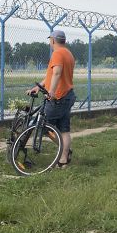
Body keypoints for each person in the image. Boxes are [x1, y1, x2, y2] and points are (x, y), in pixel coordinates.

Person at [28, 28, 76, 168]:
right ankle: (64, 158)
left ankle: (64, 151)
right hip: (67, 95)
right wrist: (40, 86)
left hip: (58, 97)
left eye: (50, 40)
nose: (50, 42)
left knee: (43, 126)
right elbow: (51, 75)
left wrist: (52, 92)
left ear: (53, 40)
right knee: (64, 129)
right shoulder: (68, 54)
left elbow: (57, 73)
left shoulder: (57, 53)